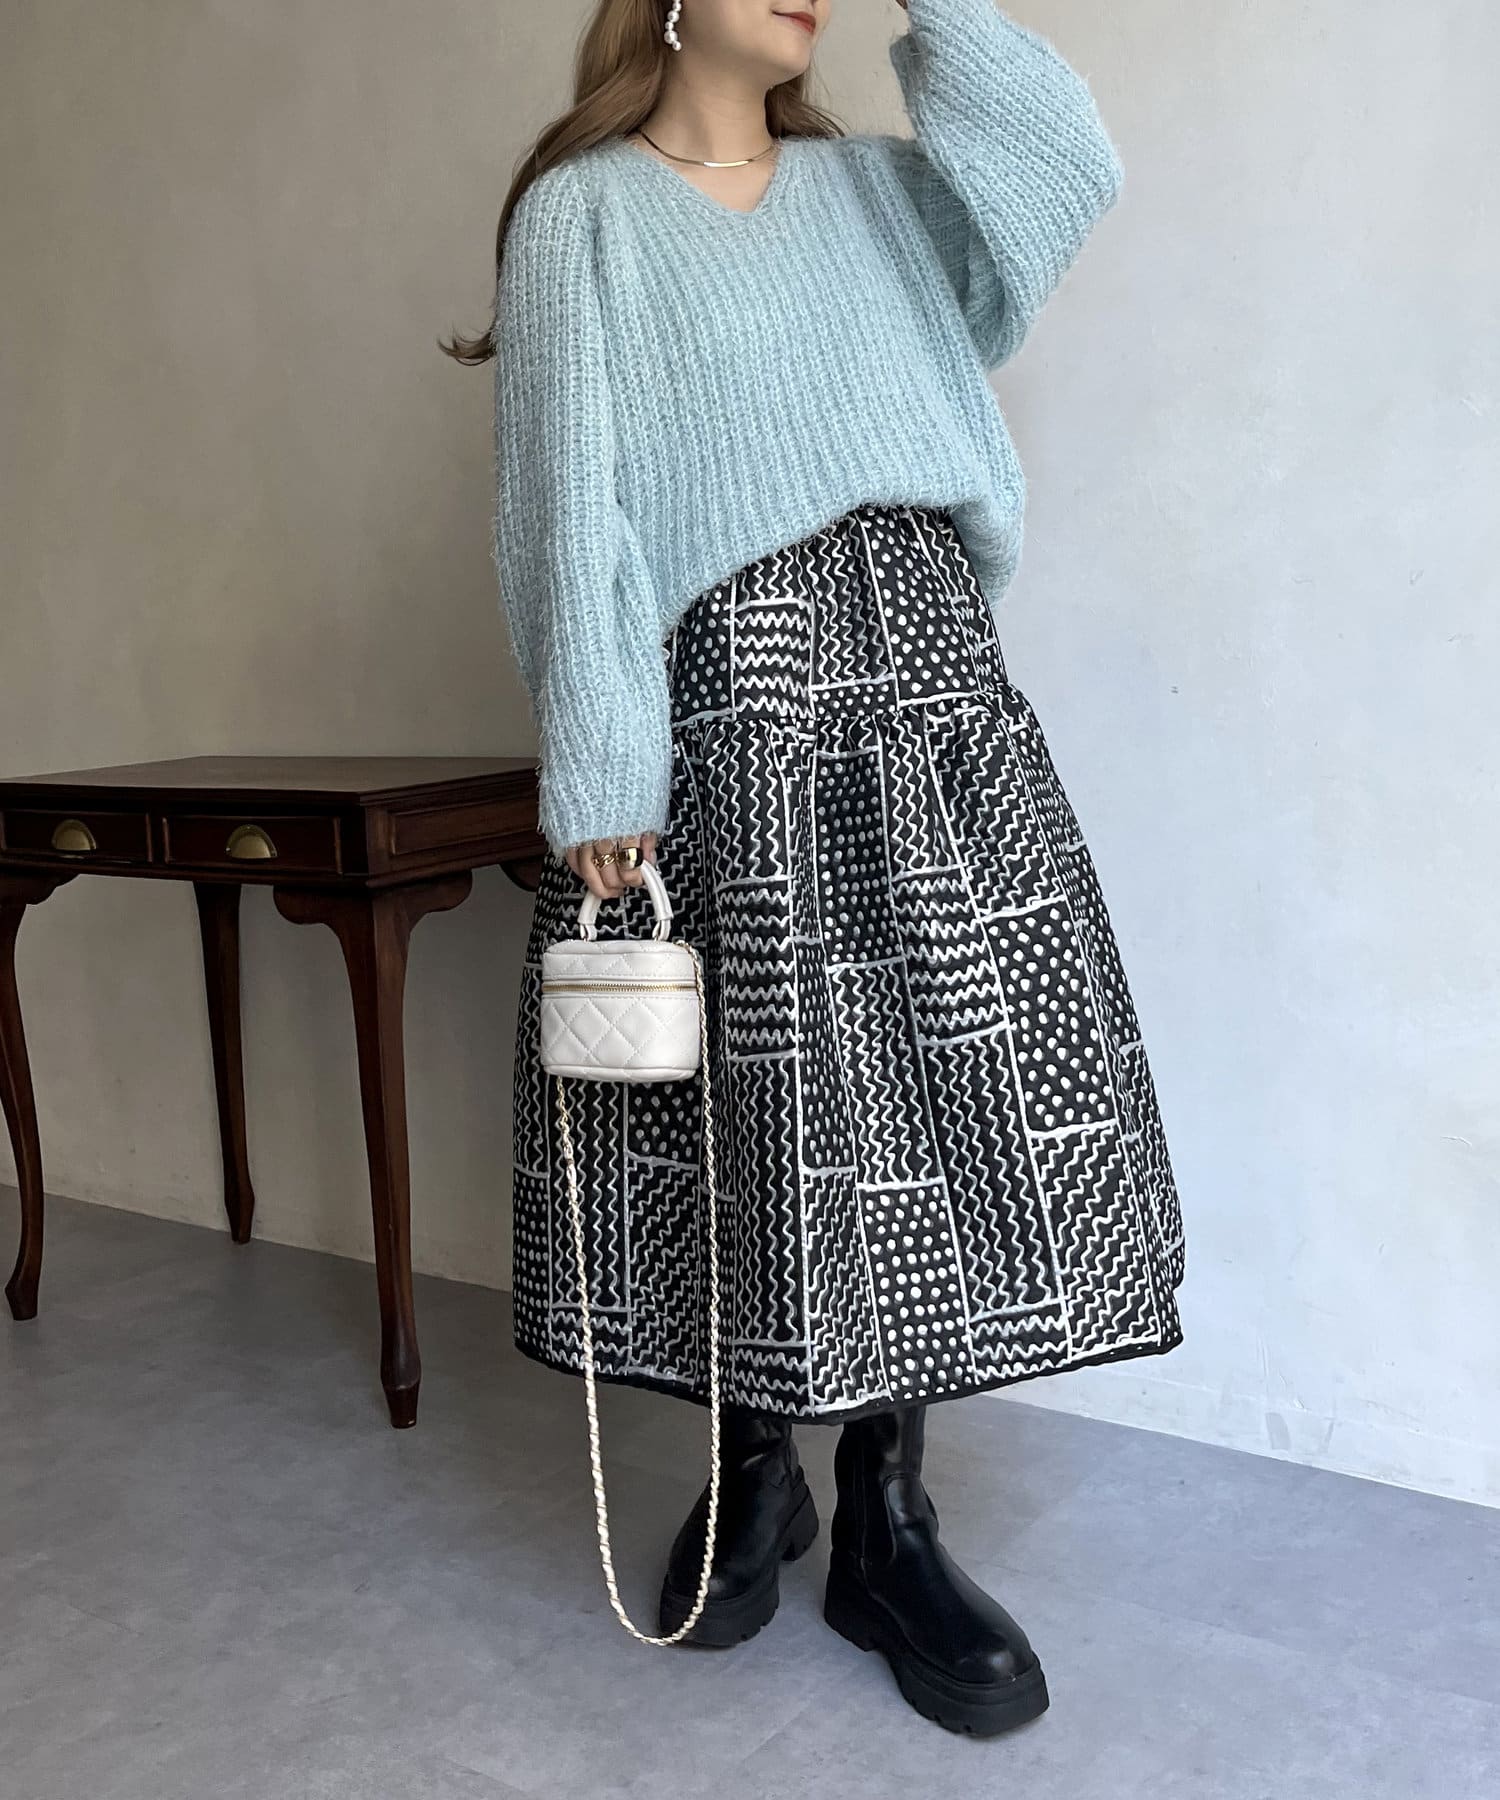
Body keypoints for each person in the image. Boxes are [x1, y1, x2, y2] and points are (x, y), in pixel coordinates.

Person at [446, 0, 1185, 1738]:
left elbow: (1068, 168)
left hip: (928, 679)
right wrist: (604, 759)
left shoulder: (882, 196)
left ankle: (888, 1519)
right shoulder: (583, 217)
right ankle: (753, 1466)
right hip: (734, 695)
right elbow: (568, 499)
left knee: (923, 1101)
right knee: (764, 1107)